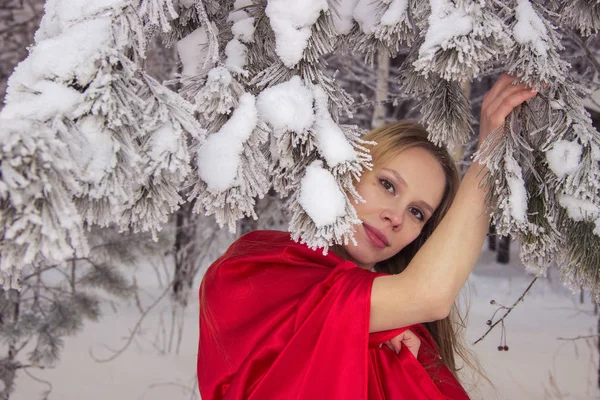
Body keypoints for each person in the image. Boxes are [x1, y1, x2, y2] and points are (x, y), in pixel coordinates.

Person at [197, 74, 538, 399]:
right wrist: (490, 147)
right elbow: (426, 295)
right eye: (387, 185)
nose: (395, 217)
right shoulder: (255, 266)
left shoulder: (403, 333)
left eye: (417, 213)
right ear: (351, 169)